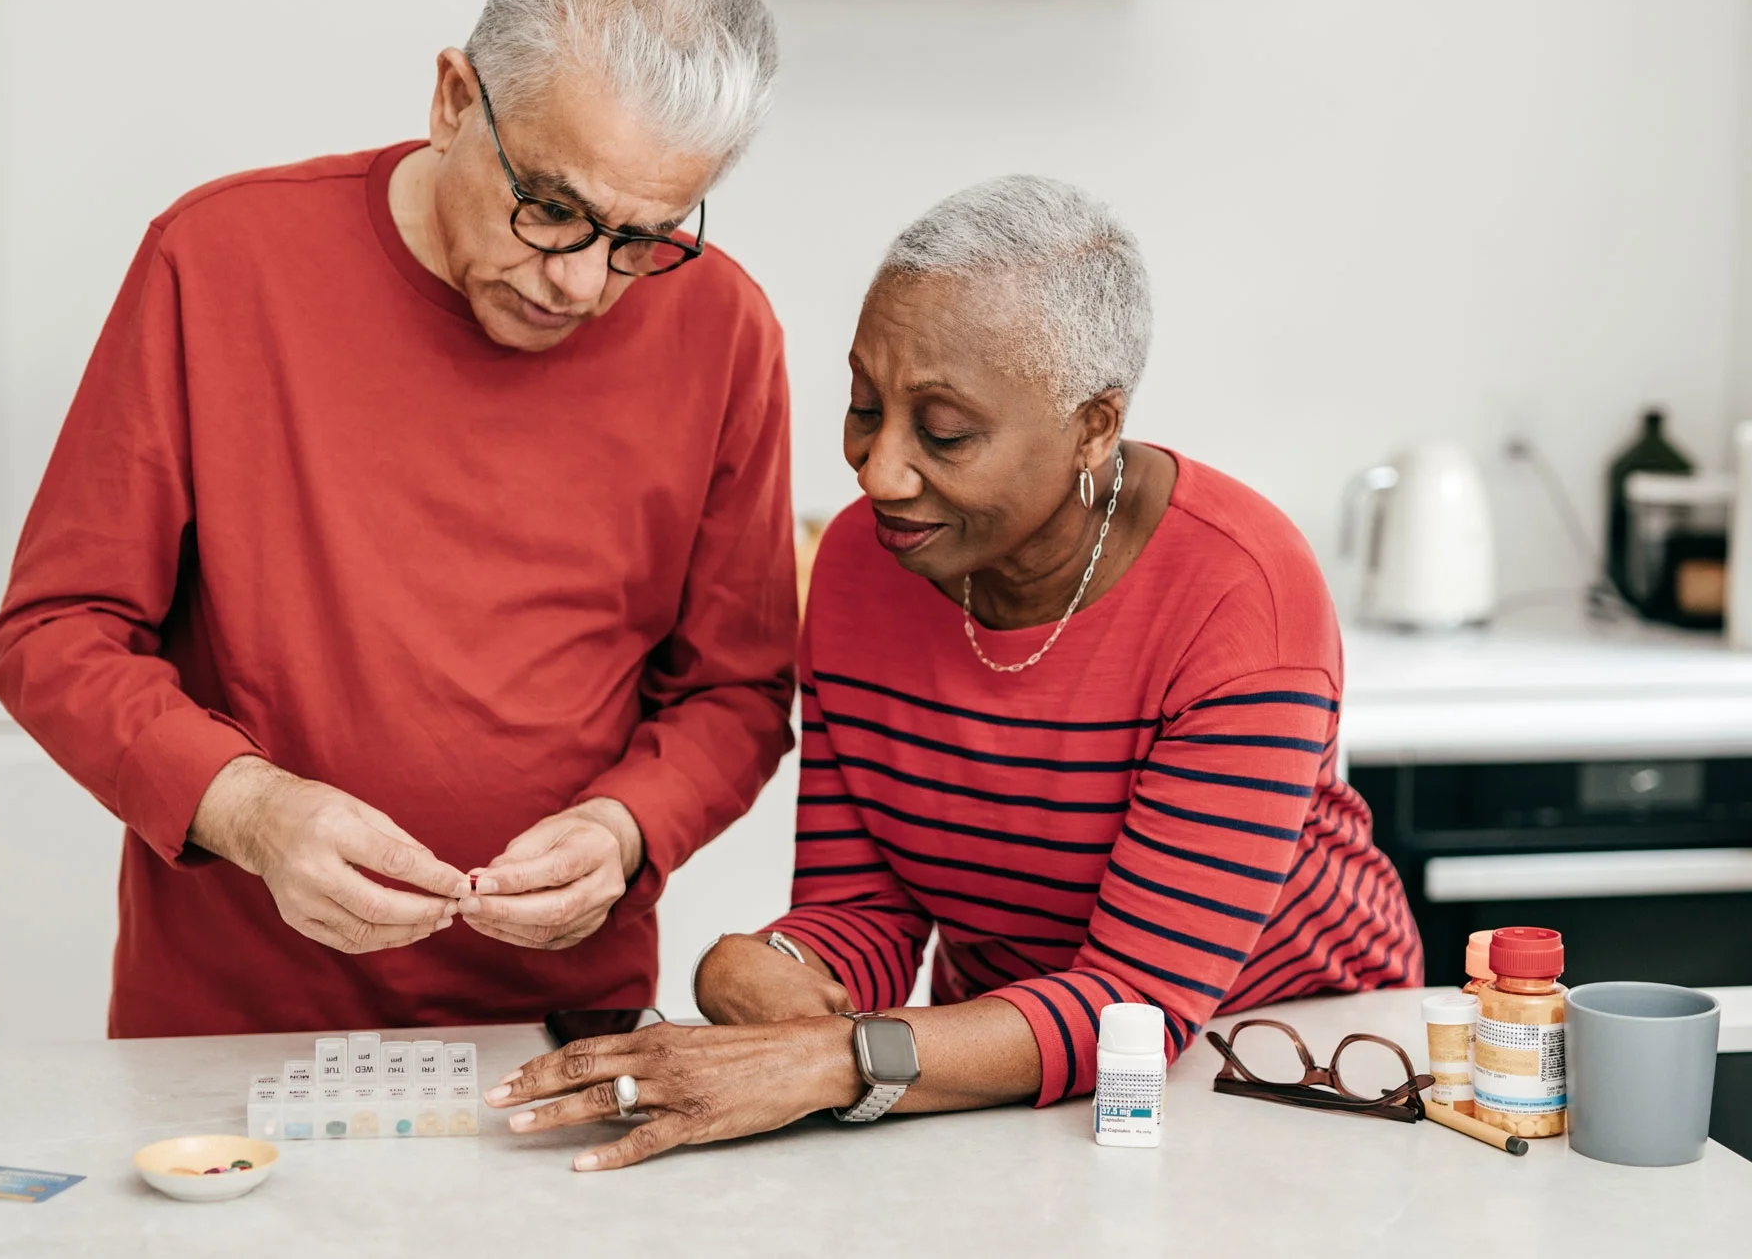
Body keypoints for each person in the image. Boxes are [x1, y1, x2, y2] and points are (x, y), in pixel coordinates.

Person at [491, 175, 1422, 1169]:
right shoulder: (863, 565)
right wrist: (762, 969)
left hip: (1306, 1068)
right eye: (863, 404)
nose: (879, 470)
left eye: (943, 433)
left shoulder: (1240, 600)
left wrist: (829, 1062)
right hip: (1013, 1076)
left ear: (1093, 426)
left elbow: (1135, 1006)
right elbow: (871, 912)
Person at [0, 0, 795, 1037]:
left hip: (560, 1025)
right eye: (551, 208)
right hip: (234, 1026)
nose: (579, 283)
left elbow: (736, 690)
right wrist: (253, 811)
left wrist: (627, 825)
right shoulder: (220, 261)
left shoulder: (723, 328)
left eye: (641, 238)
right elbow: (55, 633)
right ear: (456, 100)